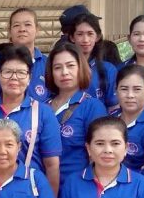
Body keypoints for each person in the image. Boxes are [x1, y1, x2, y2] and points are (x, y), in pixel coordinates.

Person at [0, 44, 62, 195]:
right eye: (8, 72)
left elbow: (52, 165)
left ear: (29, 78)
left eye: (21, 73)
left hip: (29, 194)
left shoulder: (43, 113)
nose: (14, 78)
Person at [45, 40, 107, 180]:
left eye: (70, 66)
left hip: (78, 185)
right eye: (57, 67)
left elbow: (98, 155)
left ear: (81, 68)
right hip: (42, 186)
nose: (64, 72)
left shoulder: (92, 106)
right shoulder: (42, 107)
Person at [0, 8, 49, 101]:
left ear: (37, 29)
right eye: (16, 25)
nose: (22, 29)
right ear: (9, 31)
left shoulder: (47, 63)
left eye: (27, 24)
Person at [110, 65, 144, 171]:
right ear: (116, 91)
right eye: (124, 89)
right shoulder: (109, 119)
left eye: (137, 89)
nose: (130, 95)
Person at [67, 11, 118, 109]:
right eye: (80, 34)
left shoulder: (108, 70)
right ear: (72, 37)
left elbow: (113, 107)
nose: (85, 40)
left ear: (97, 37)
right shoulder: (64, 69)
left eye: (90, 34)